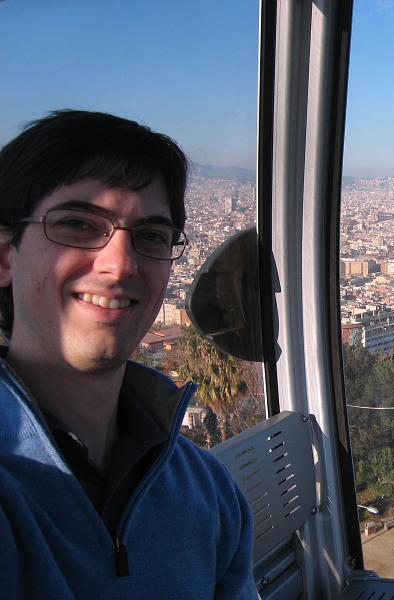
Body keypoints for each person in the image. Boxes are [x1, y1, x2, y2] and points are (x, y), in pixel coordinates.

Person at [0, 110, 258, 598]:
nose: (120, 264)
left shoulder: (208, 493)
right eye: (77, 224)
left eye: (151, 236)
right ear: (4, 257)